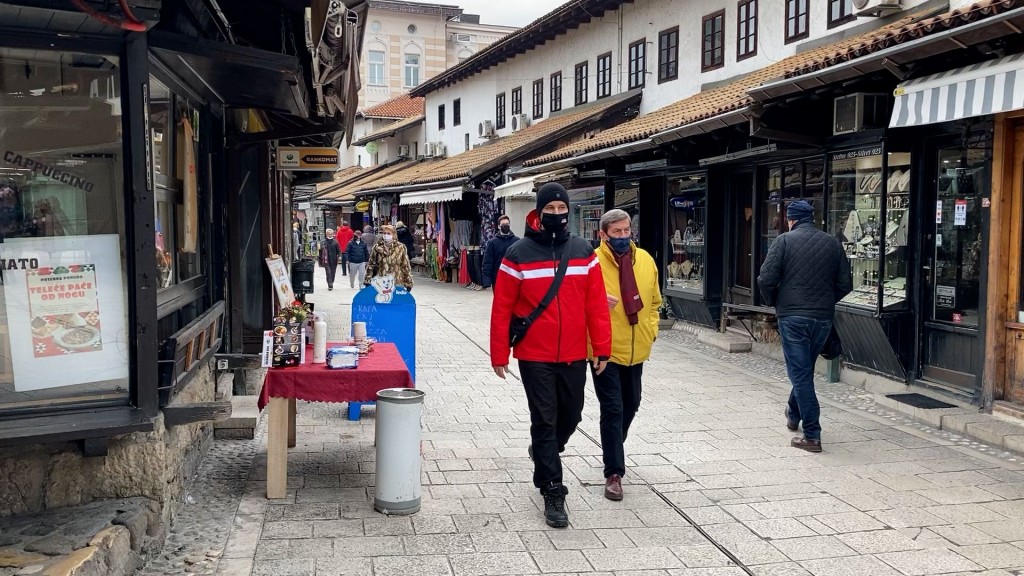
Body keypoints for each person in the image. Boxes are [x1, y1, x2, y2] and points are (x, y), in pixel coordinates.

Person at [489, 182, 611, 528]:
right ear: (538, 213)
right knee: (544, 417)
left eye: (562, 209)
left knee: (571, 413)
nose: (557, 215)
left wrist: (602, 346)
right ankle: (552, 488)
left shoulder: (583, 251)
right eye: (550, 210)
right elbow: (502, 308)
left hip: (574, 351)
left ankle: (544, 450)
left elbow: (596, 304)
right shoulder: (518, 254)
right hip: (534, 353)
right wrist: (500, 352)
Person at [757, 200, 852, 453]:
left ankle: (812, 435)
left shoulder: (784, 241)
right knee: (804, 371)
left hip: (793, 318)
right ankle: (793, 414)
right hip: (822, 319)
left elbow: (765, 279)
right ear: (812, 218)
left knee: (800, 374)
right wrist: (825, 301)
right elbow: (845, 283)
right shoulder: (832, 242)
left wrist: (776, 302)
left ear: (791, 219)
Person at [592, 209, 662, 501]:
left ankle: (613, 446)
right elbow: (578, 307)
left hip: (637, 347)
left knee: (632, 403)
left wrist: (652, 330)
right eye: (616, 232)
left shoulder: (644, 260)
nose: (623, 236)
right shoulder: (591, 263)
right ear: (603, 235)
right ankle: (614, 473)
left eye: (626, 231)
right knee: (613, 408)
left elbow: (656, 301)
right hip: (605, 350)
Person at [364, 224, 414, 290]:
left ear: (393, 235)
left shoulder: (401, 247)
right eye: (384, 233)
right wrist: (368, 280)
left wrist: (408, 282)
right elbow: (371, 265)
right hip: (381, 282)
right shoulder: (377, 247)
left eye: (388, 233)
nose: (386, 235)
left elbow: (405, 266)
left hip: (396, 282)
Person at [481, 214, 518, 289]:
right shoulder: (492, 243)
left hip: (513, 277)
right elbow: (488, 262)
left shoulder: (517, 241)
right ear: (498, 226)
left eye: (507, 224)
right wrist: (487, 280)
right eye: (503, 224)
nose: (505, 226)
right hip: (498, 278)